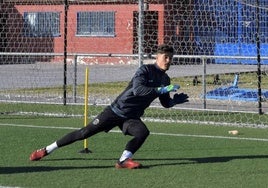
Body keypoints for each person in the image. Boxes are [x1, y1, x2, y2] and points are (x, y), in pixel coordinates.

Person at [29, 44, 189, 169]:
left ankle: (123, 160)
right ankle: (46, 150)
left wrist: (174, 101)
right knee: (84, 133)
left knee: (142, 132)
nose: (168, 61)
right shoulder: (145, 70)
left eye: (171, 58)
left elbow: (165, 103)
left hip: (131, 116)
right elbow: (138, 90)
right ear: (157, 57)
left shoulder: (166, 80)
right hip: (115, 111)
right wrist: (161, 89)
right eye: (166, 57)